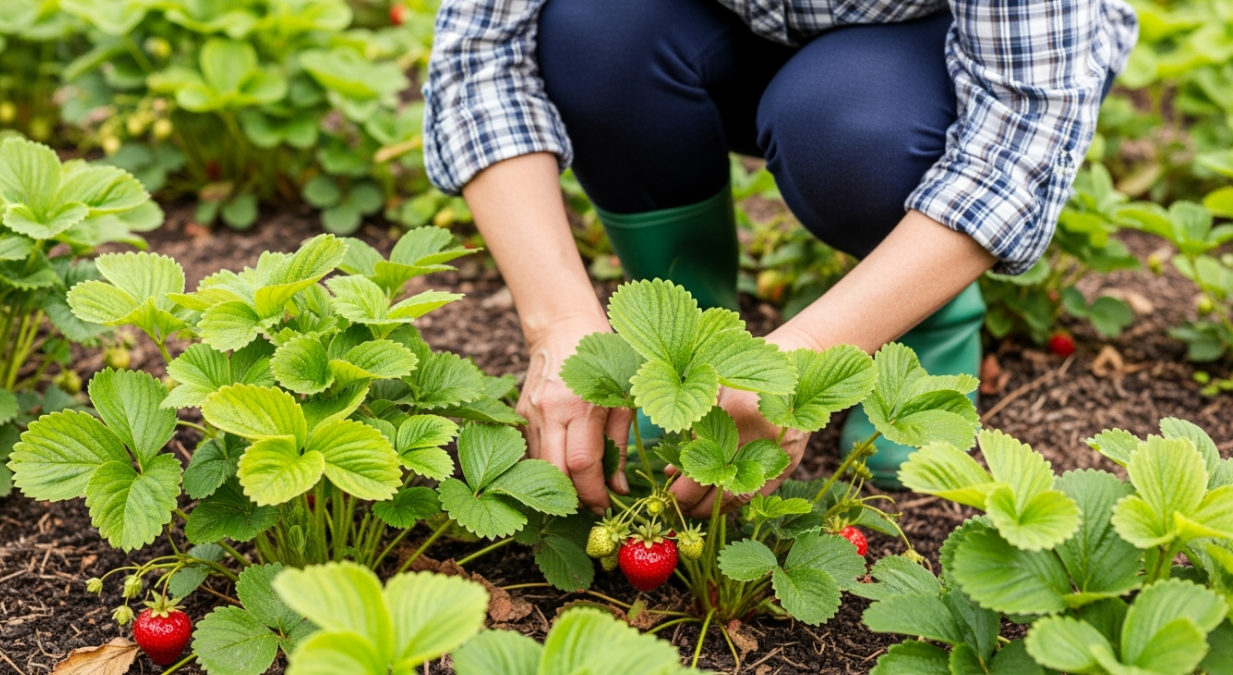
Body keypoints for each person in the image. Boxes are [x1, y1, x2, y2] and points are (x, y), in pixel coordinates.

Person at [422, 0, 1137, 517]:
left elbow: (1020, 137)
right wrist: (558, 323)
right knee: (593, 29)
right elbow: (479, 54)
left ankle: (925, 323)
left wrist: (803, 357)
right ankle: (686, 347)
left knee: (845, 126)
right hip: (712, 27)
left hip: (929, 63)